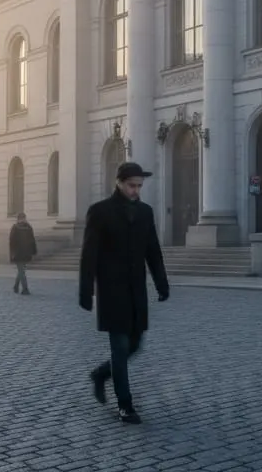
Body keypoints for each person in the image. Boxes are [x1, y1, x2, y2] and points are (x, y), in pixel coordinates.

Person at [79, 162, 170, 425]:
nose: (135, 190)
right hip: (111, 292)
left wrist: (162, 284)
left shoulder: (145, 212)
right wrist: (86, 291)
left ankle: (100, 374)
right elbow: (89, 255)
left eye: (139, 186)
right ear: (119, 182)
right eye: (131, 185)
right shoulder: (100, 212)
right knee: (119, 348)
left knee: (135, 345)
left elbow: (153, 251)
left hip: (136, 291)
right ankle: (125, 406)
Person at [9, 212, 38, 295]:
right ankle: (20, 287)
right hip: (24, 253)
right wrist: (33, 251)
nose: (22, 220)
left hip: (19, 253)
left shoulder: (16, 227)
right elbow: (32, 240)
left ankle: (21, 287)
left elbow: (12, 242)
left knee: (21, 271)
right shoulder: (28, 227)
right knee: (21, 271)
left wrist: (12, 254)